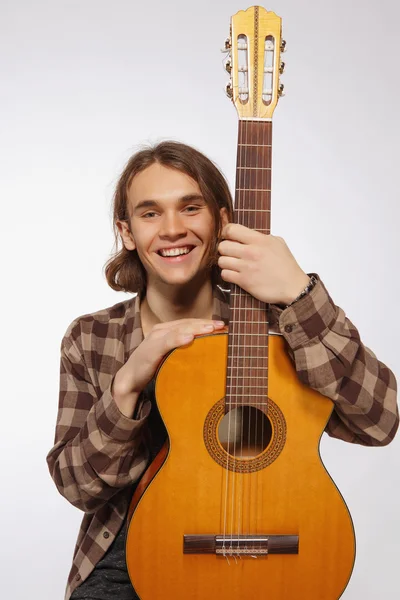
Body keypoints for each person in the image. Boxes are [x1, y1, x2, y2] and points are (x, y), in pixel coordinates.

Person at [47, 141, 399, 600]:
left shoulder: (283, 327)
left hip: (281, 550)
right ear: (127, 231)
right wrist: (129, 381)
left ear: (223, 220)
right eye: (150, 213)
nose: (172, 229)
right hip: (133, 559)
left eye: (190, 208)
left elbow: (381, 421)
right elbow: (79, 488)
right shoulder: (92, 338)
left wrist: (300, 294)